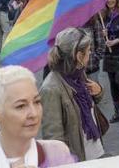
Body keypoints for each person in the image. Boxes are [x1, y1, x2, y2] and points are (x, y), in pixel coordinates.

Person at [40, 28, 107, 161]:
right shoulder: (50, 88)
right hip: (78, 160)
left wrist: (99, 91)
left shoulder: (78, 73)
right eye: (88, 51)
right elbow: (54, 138)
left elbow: (89, 105)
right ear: (79, 57)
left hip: (95, 149)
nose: (90, 54)